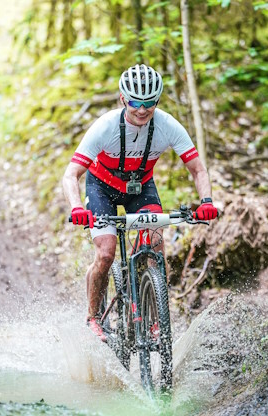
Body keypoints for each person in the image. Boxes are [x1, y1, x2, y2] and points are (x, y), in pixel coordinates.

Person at [63, 64, 218, 342]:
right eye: (135, 102)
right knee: (107, 253)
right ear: (123, 98)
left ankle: (156, 316)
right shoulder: (106, 126)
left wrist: (206, 201)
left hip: (140, 187)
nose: (142, 110)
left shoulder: (168, 125)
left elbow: (198, 169)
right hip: (101, 187)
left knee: (155, 244)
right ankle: (93, 316)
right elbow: (71, 174)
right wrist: (77, 208)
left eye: (150, 103)